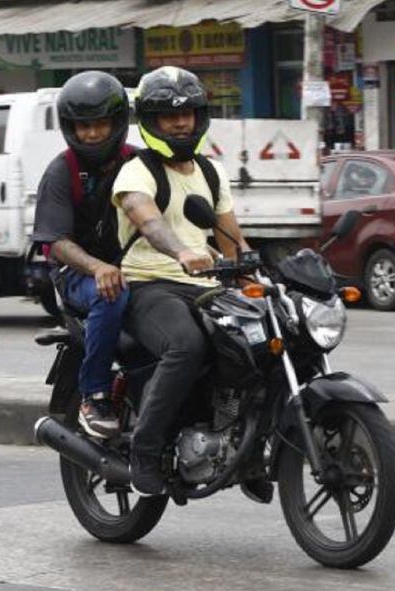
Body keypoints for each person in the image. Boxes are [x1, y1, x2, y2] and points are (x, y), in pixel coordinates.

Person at [111, 66, 251, 496]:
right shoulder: (136, 172)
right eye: (169, 116)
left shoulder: (211, 173)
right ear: (150, 122)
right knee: (185, 344)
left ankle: (246, 448)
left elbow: (231, 239)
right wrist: (182, 252)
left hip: (205, 287)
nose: (181, 122)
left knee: (258, 344)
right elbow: (146, 218)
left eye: (188, 113)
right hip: (148, 285)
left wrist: (254, 273)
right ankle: (145, 450)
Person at [32, 71, 135, 439]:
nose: (91, 134)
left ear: (117, 123)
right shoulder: (63, 171)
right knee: (112, 292)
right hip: (78, 274)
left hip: (134, 266)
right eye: (82, 126)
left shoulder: (138, 164)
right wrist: (97, 267)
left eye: (100, 124)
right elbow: (56, 240)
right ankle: (95, 393)